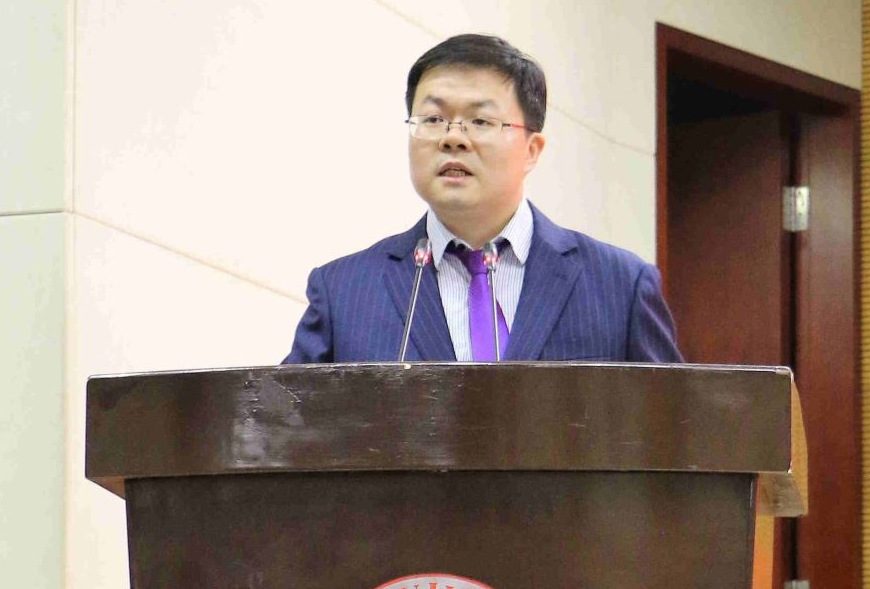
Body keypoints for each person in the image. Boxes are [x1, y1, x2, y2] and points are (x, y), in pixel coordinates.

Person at [283, 34, 683, 363]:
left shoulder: (619, 287)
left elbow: (673, 428)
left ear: (531, 150)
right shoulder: (343, 292)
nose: (452, 138)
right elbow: (285, 428)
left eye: (480, 121)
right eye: (433, 119)